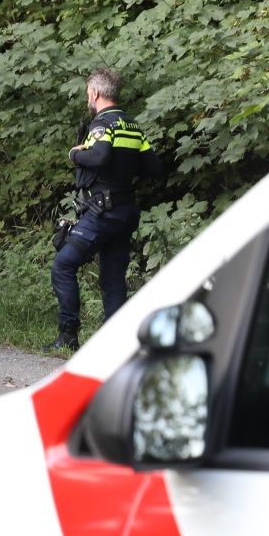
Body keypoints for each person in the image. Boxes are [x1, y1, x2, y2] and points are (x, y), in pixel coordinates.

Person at [48, 68, 163, 353]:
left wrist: (75, 154)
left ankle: (68, 336)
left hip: (102, 213)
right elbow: (155, 168)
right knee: (112, 278)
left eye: (88, 92)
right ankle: (116, 345)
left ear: (96, 93)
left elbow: (99, 155)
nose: (88, 97)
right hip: (125, 213)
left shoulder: (102, 126)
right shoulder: (133, 127)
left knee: (63, 265)